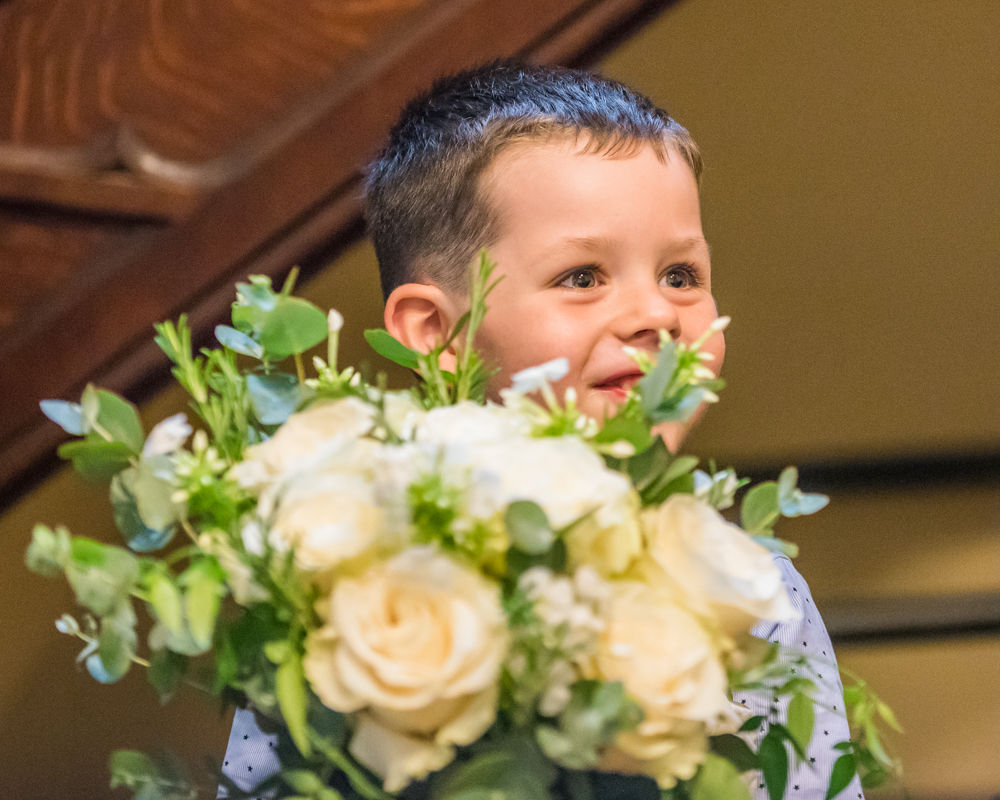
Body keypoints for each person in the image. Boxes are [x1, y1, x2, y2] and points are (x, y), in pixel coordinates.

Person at [221, 60, 862, 799]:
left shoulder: (753, 591)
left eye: (681, 275)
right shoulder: (350, 591)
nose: (658, 315)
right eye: (584, 276)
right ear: (436, 330)